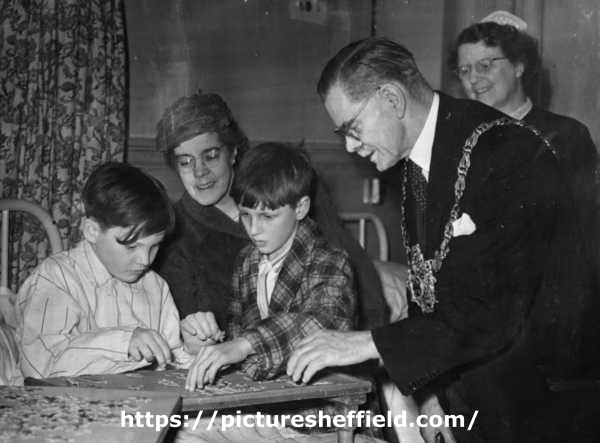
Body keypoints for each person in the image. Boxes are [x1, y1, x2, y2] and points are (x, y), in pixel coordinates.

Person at [286, 37, 570, 442]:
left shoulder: (507, 150)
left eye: (352, 128)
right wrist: (434, 396)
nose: (348, 145)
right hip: (472, 396)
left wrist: (369, 343)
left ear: (392, 98)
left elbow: (495, 311)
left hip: (536, 407)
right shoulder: (417, 161)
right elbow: (429, 290)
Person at [153, 91, 388, 333]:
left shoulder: (287, 183)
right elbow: (188, 326)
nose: (199, 171)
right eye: (185, 162)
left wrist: (369, 344)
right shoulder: (173, 233)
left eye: (211, 156)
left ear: (233, 153)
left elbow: (362, 286)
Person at [449, 11, 599, 377]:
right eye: (465, 70)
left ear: (519, 65)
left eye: (485, 65)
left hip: (552, 318)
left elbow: (586, 235)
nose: (474, 79)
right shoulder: (458, 142)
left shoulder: (566, 136)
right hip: (483, 319)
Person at [183, 142, 355, 390]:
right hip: (264, 395)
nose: (254, 230)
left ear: (300, 208)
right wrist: (207, 342)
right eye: (245, 215)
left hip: (321, 399)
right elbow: (236, 336)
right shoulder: (247, 261)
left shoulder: (329, 259)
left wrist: (244, 345)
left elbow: (323, 323)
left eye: (267, 216)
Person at [16, 162, 190, 378]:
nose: (145, 260)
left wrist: (194, 348)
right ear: (92, 231)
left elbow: (172, 364)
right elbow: (39, 368)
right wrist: (121, 342)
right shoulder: (55, 278)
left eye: (154, 246)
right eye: (131, 246)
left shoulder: (155, 286)